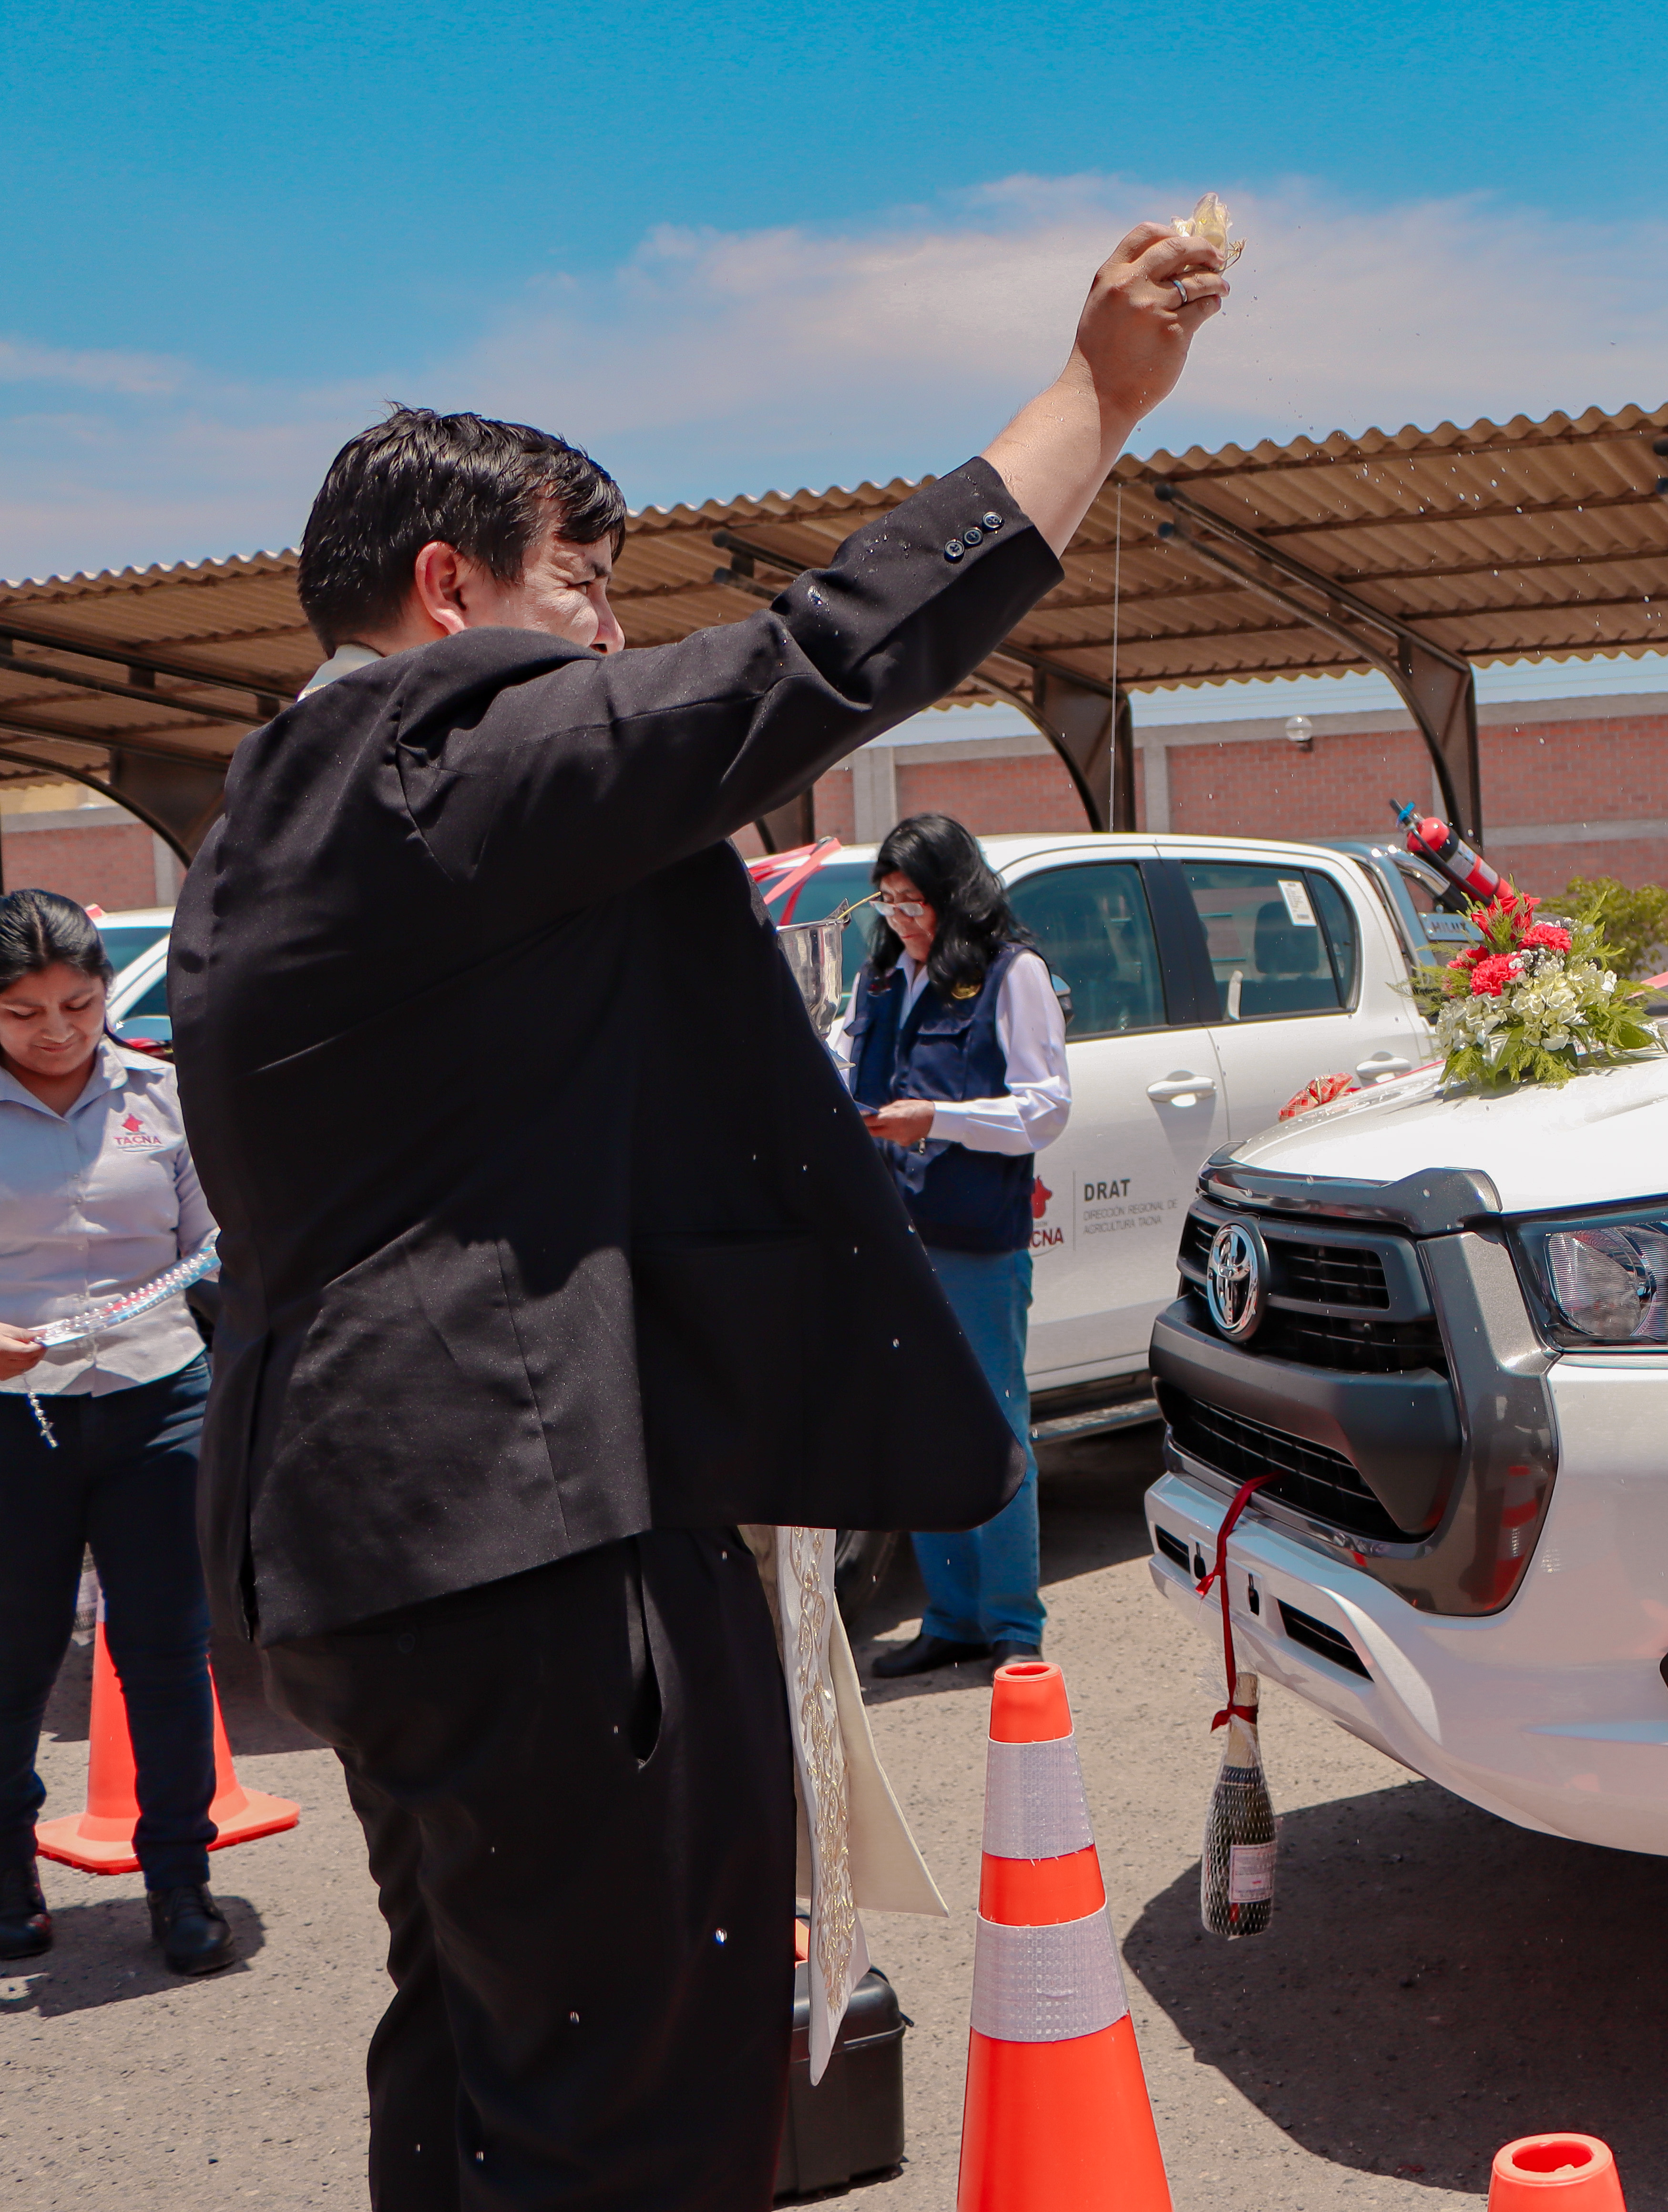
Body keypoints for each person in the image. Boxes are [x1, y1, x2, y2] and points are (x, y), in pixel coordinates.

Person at [173, 220, 1224, 2208]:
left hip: (368, 1537)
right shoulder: (434, 753)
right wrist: (1093, 399)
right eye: (581, 582)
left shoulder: (273, 812)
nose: (607, 637)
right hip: (526, 1530)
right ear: (443, 585)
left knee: (489, 2058)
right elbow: (816, 660)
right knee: (642, 2097)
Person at [0, 891, 230, 1976]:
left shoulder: (165, 1096)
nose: (55, 1029)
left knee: (167, 1655)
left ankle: (180, 1880)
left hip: (158, 1401)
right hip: (16, 1423)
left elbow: (212, 1248)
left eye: (78, 1003)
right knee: (12, 1658)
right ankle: (9, 1875)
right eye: (24, 1010)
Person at [842, 813, 1071, 1680]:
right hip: (895, 1237)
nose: (901, 919)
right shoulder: (881, 979)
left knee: (993, 1427)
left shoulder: (1015, 975)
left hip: (974, 1238)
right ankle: (952, 1619)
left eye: (915, 902)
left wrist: (938, 1119)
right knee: (922, 1429)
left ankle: (1014, 1625)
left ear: (956, 892)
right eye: (889, 902)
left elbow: (1046, 1107)